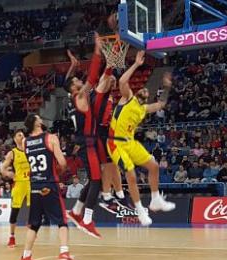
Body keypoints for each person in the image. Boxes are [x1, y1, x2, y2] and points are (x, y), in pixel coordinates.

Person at [108, 50, 175, 226]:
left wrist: (167, 86)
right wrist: (137, 64)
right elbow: (122, 81)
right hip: (116, 143)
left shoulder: (143, 109)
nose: (145, 89)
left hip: (130, 142)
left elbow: (161, 104)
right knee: (131, 176)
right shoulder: (127, 98)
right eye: (144, 88)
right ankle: (139, 212)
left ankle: (155, 199)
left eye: (147, 91)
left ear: (146, 98)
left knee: (153, 166)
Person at [65, 35, 122, 238]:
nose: (80, 81)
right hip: (88, 142)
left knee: (92, 180)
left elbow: (103, 77)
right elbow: (92, 76)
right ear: (73, 88)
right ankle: (88, 220)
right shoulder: (79, 96)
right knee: (96, 179)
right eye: (76, 81)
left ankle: (76, 211)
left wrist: (112, 56)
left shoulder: (81, 99)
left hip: (90, 140)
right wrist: (97, 52)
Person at [21, 114, 79, 260]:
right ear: (37, 123)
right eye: (39, 118)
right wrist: (58, 172)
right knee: (62, 221)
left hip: (34, 185)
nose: (42, 118)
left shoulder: (25, 142)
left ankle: (25, 258)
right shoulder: (51, 138)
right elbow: (62, 163)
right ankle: (64, 253)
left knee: (33, 224)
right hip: (49, 184)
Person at [0, 129, 30, 248]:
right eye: (19, 135)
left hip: (31, 182)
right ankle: (12, 236)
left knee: (34, 209)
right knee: (15, 211)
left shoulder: (29, 150)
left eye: (23, 135)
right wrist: (7, 173)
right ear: (14, 139)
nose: (21, 136)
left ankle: (31, 231)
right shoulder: (12, 152)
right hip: (19, 183)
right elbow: (2, 167)